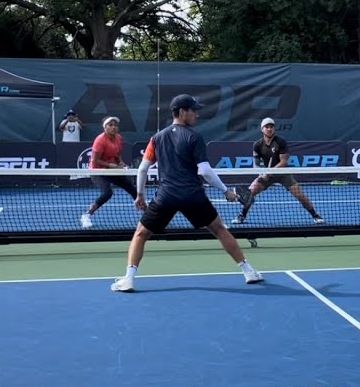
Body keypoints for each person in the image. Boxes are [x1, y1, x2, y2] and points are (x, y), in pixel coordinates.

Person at [111, 94, 263, 292]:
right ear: (182, 112)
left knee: (140, 234)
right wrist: (226, 191)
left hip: (166, 197)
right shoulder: (194, 137)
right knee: (219, 230)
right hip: (193, 197)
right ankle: (248, 272)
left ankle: (129, 279)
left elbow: (142, 169)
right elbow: (206, 171)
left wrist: (140, 195)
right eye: (193, 110)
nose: (197, 115)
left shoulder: (156, 138)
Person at [232, 117, 323, 225]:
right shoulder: (257, 145)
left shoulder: (280, 142)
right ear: (262, 129)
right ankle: (242, 216)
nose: (269, 129)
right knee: (250, 193)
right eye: (267, 127)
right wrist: (262, 173)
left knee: (299, 195)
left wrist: (269, 172)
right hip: (266, 175)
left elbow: (283, 161)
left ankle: (315, 215)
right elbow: (256, 164)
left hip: (282, 173)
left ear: (274, 129)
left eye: (271, 127)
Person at [81, 116, 139, 228]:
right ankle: (87, 215)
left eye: (115, 125)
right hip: (98, 171)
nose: (114, 127)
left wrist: (121, 163)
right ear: (105, 127)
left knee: (133, 189)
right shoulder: (100, 140)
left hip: (112, 170)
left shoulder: (118, 138)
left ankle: (149, 215)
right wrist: (111, 165)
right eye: (110, 125)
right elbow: (95, 160)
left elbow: (117, 155)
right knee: (107, 193)